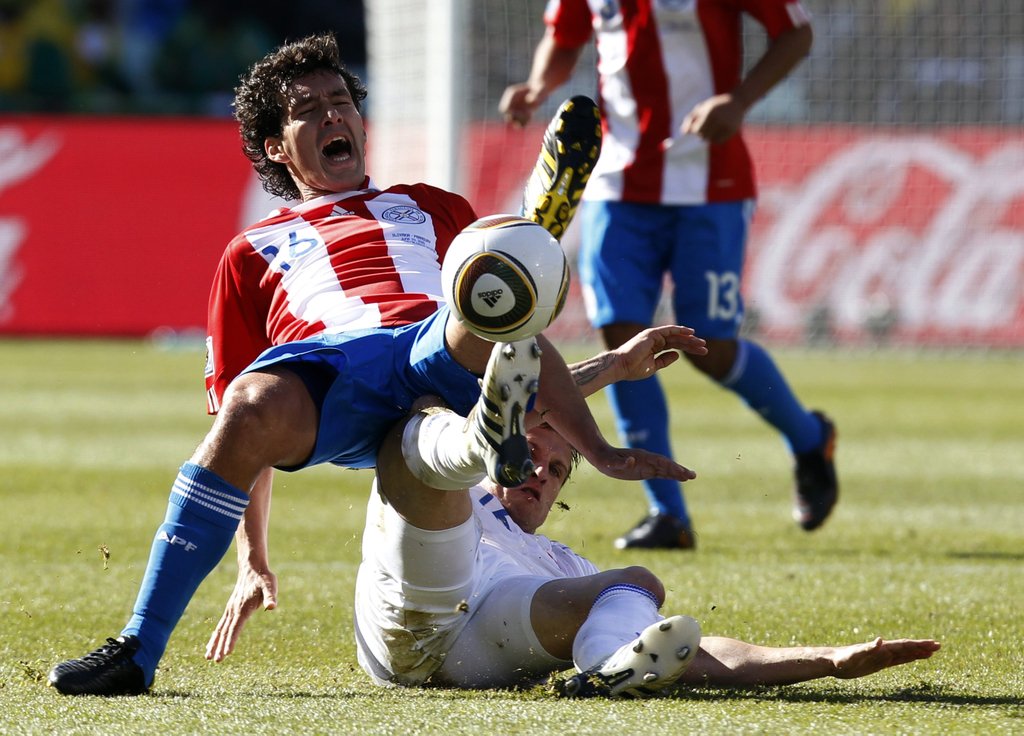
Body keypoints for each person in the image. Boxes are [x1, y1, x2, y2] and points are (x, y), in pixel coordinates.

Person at [47, 32, 695, 697]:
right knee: (249, 405)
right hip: (338, 372)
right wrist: (252, 557)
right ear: (276, 146)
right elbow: (239, 446)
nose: (333, 114)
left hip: (433, 345)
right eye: (308, 109)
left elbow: (519, 354)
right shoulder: (250, 251)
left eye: (342, 102)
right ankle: (138, 647)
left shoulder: (434, 206)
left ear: (360, 123)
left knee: (490, 301)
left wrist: (600, 446)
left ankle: (523, 265)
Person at [204, 327, 939, 697]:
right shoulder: (461, 479)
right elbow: (261, 442)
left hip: (476, 647)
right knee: (426, 432)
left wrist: (824, 661)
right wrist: (613, 366)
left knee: (635, 583)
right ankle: (490, 444)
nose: (543, 475)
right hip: (406, 610)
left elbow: (690, 651)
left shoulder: (562, 565)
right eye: (534, 455)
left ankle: (603, 671)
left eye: (558, 472)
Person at [500, 0, 838, 550]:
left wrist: (739, 100)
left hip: (709, 181)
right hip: (616, 184)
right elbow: (564, 37)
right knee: (621, 339)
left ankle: (809, 438)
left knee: (711, 347)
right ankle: (668, 515)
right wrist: (538, 86)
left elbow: (795, 33)